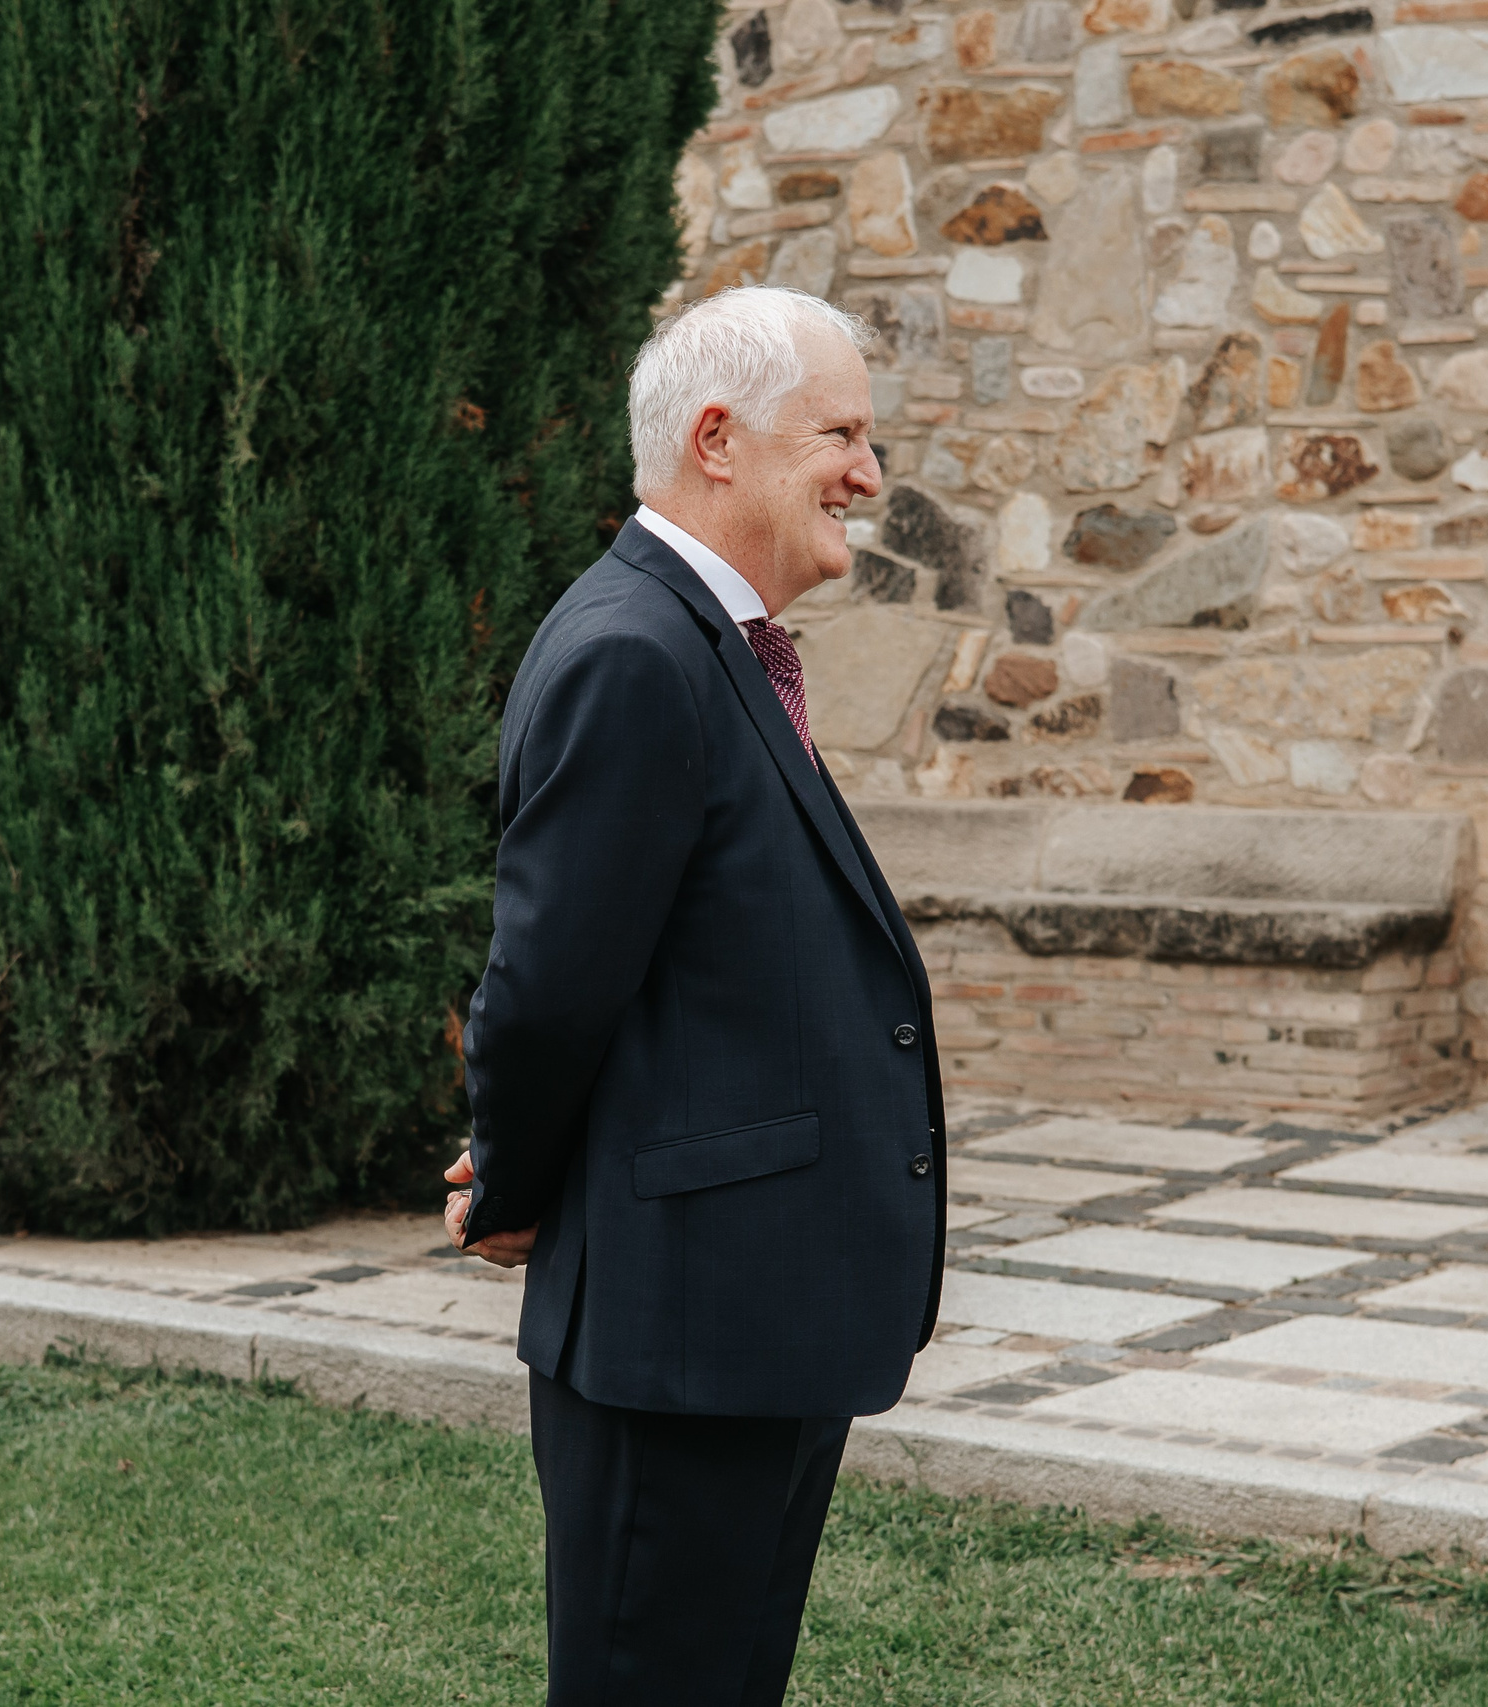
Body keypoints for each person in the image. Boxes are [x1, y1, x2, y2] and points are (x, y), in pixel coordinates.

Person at [443, 284, 944, 1706]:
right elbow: (545, 990)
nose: (869, 472)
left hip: (753, 1319)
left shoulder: (709, 645)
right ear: (718, 441)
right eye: (840, 434)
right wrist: (515, 1188)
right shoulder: (636, 654)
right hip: (682, 1338)